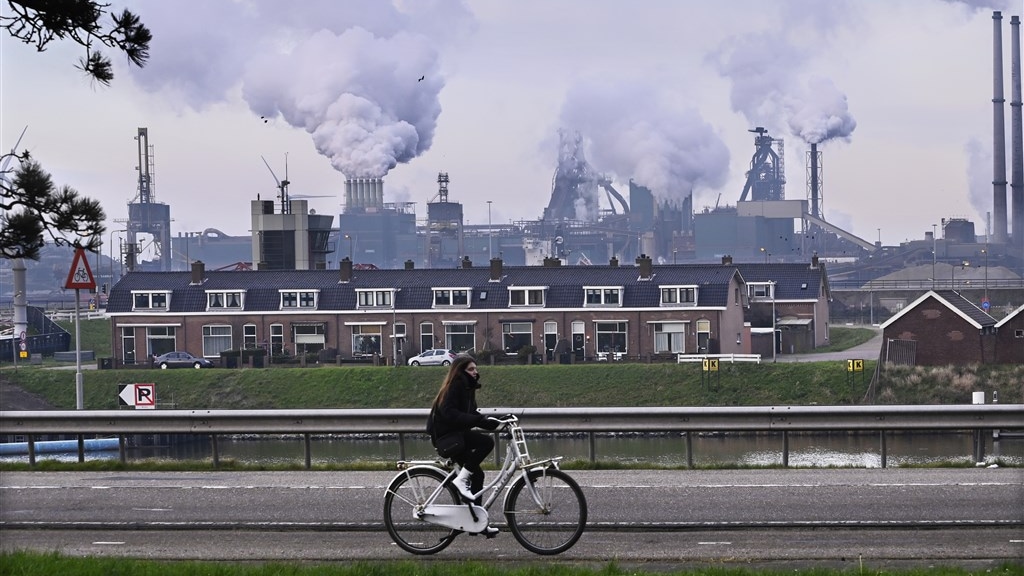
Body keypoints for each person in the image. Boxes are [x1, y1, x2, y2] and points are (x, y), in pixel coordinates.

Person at [426, 355, 502, 537]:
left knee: (478, 475)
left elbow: (471, 414)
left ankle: (475, 522)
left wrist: (494, 421)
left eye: (475, 369)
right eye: (471, 369)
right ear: (460, 371)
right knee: (486, 442)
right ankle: (461, 482)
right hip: (448, 437)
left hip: (458, 434)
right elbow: (450, 413)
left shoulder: (467, 387)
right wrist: (479, 421)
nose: (475, 372)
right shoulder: (455, 386)